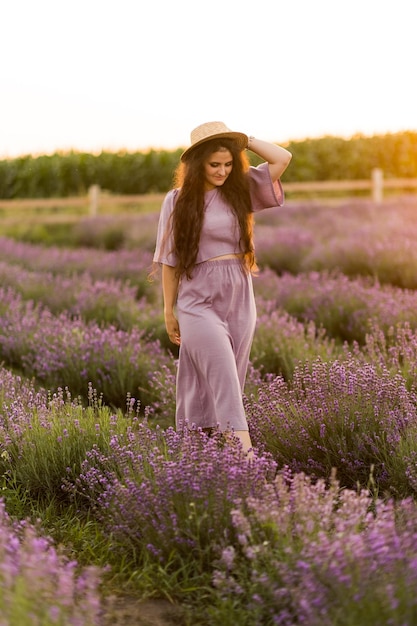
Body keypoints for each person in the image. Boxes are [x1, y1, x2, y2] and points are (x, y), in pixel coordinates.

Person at [153, 121, 292, 456]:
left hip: (239, 294)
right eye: (214, 164)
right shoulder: (177, 201)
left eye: (228, 164)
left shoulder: (239, 189)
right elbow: (169, 261)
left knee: (230, 376)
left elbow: (282, 158)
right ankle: (244, 458)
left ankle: (203, 454)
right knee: (225, 376)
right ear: (198, 163)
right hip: (196, 300)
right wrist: (168, 310)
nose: (222, 171)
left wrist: (245, 140)